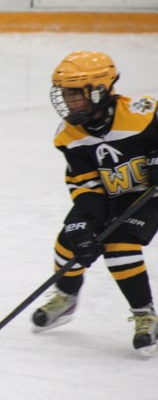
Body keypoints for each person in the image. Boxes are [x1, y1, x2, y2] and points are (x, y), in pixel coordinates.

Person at [32, 51, 158, 356]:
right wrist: (86, 221)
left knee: (119, 246)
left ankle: (145, 315)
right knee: (69, 240)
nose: (68, 102)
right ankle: (66, 296)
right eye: (65, 94)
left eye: (76, 95)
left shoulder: (143, 113)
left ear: (100, 89)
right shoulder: (69, 136)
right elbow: (86, 185)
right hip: (112, 196)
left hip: (152, 194)